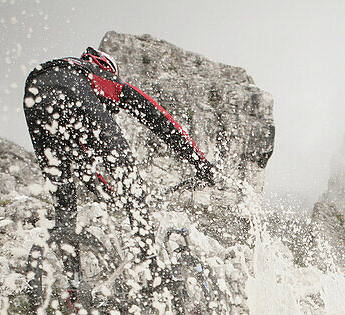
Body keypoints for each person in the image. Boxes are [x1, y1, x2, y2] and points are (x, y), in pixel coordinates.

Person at [23, 46, 215, 281]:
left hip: (32, 92)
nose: (111, 112)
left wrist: (109, 194)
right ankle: (151, 271)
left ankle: (74, 289)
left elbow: (85, 165)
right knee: (132, 182)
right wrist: (201, 162)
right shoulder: (103, 77)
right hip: (70, 86)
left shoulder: (65, 72)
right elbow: (161, 120)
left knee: (65, 206)